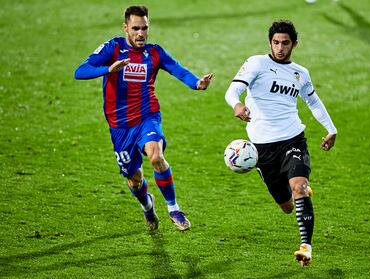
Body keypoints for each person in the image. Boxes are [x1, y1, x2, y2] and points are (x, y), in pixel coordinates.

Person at [74, 5, 213, 231]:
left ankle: (174, 209)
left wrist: (197, 83)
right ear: (126, 28)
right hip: (119, 125)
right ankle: (148, 206)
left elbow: (178, 69)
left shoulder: (155, 52)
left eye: (145, 28)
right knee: (134, 179)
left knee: (156, 156)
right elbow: (80, 71)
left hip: (147, 115)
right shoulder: (113, 48)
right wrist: (109, 69)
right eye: (136, 28)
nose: (141, 33)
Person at [224, 20, 337, 266]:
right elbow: (231, 91)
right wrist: (238, 105)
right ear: (270, 43)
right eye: (276, 42)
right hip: (262, 148)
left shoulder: (301, 73)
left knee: (299, 187)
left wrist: (331, 129)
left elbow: (313, 102)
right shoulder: (256, 63)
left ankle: (306, 247)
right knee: (287, 206)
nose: (280, 48)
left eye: (285, 43)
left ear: (294, 44)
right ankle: (300, 194)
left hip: (293, 138)